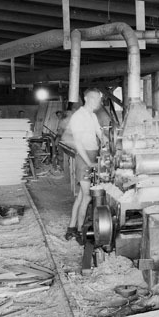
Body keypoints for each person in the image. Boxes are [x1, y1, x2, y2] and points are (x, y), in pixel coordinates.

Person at [62, 89, 105, 240]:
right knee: (87, 196)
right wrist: (90, 163)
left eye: (98, 99)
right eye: (93, 98)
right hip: (84, 157)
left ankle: (71, 227)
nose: (96, 101)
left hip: (92, 154)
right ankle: (81, 231)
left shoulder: (92, 115)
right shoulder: (78, 116)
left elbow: (100, 134)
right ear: (86, 98)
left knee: (81, 196)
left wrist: (111, 141)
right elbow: (78, 144)